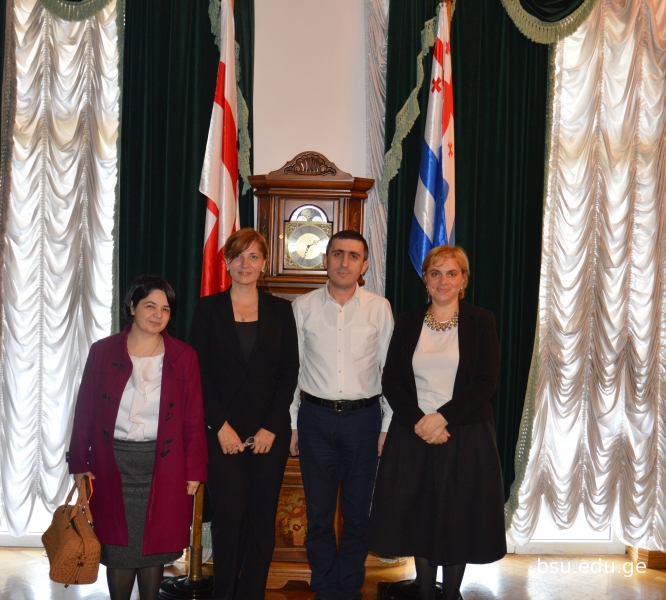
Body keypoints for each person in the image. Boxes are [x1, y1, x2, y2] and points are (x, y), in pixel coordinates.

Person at [367, 245, 507, 600]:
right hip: (413, 435)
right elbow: (391, 380)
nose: (443, 281)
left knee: (457, 520)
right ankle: (426, 593)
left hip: (464, 435)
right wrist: (421, 422)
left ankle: (450, 595)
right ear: (425, 280)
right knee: (422, 518)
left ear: (463, 280)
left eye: (451, 273)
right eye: (435, 273)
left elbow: (486, 382)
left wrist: (442, 419)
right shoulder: (407, 322)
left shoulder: (482, 321)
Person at [68, 275, 208, 600]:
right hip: (111, 465)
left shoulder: (183, 356)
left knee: (154, 547)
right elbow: (85, 410)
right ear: (132, 307)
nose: (158, 315)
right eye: (150, 306)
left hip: (163, 466)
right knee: (118, 547)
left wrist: (194, 471)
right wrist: (79, 463)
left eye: (165, 309)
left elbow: (193, 418)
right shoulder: (103, 351)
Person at [189, 228, 299, 600]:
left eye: (253, 256)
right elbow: (199, 373)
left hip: (269, 434)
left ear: (264, 263)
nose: (245, 264)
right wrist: (219, 426)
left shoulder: (281, 311)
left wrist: (271, 427)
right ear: (226, 263)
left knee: (261, 521)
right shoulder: (208, 309)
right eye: (237, 256)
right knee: (228, 517)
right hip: (222, 433)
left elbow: (289, 373)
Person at [289, 229, 394, 600]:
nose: (344, 262)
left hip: (364, 422)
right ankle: (324, 588)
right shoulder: (302, 307)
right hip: (314, 420)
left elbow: (389, 370)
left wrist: (386, 426)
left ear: (364, 265)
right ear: (325, 260)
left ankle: (348, 589)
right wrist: (292, 424)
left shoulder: (379, 308)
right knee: (317, 516)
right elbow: (293, 369)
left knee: (357, 514)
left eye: (353, 256)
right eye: (337, 254)